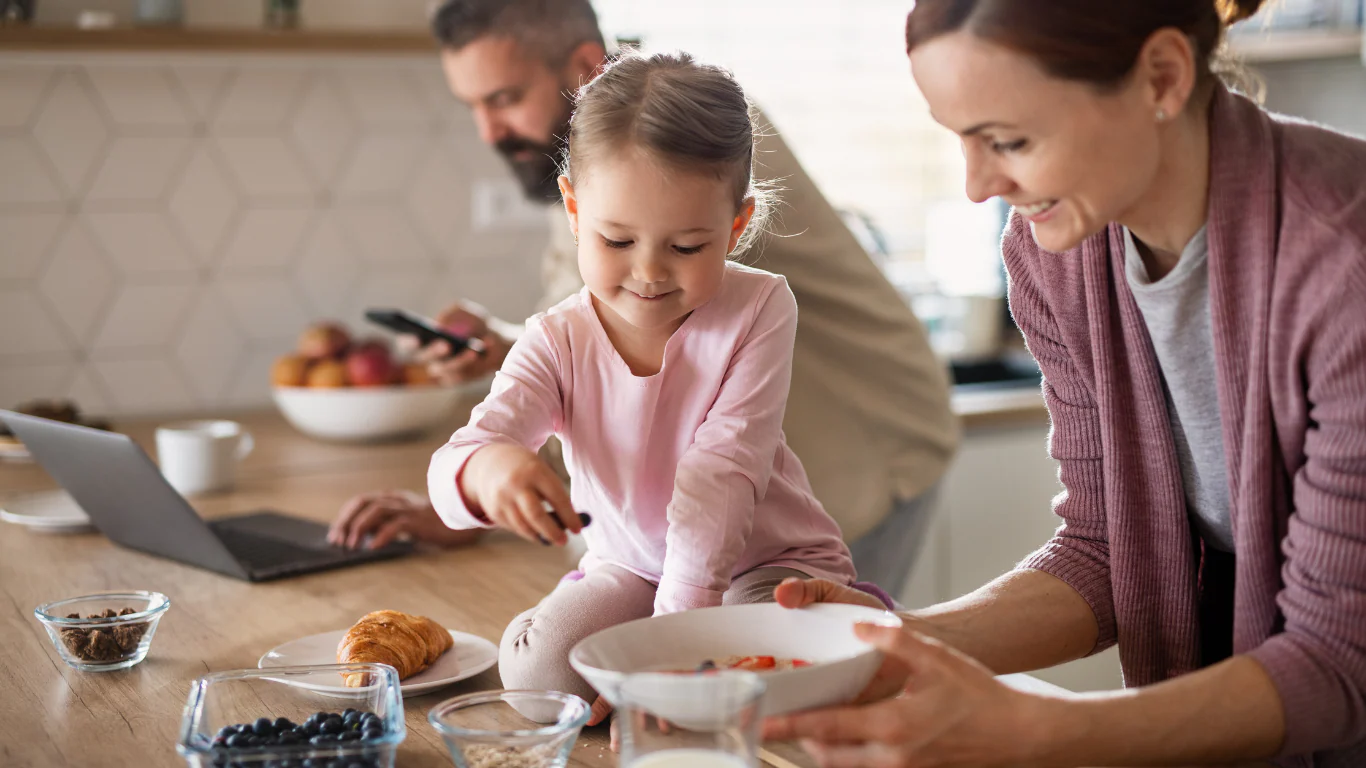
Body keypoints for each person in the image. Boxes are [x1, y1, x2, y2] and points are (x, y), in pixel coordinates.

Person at [762, 0, 1366, 766]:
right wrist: (890, 642)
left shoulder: (1345, 262)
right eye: (961, 140)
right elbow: (1105, 549)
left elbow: (1339, 661)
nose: (979, 185)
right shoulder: (1057, 257)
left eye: (1008, 140)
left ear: (1162, 77)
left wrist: (1031, 732)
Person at [328, 0, 959, 599]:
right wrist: (488, 458)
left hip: (862, 446)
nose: (489, 129)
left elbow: (656, 325)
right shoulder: (600, 169)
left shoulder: (690, 143)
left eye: (506, 98)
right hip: (722, 490)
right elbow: (603, 335)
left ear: (581, 68)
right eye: (474, 105)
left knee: (790, 683)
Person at [428, 50, 873, 725]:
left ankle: (847, 613)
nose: (649, 274)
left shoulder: (760, 308)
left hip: (762, 563)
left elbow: (721, 478)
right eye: (616, 240)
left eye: (687, 248)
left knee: (763, 676)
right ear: (575, 209)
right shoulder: (554, 337)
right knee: (536, 679)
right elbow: (462, 458)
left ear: (736, 227)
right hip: (632, 566)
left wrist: (669, 652)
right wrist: (488, 473)